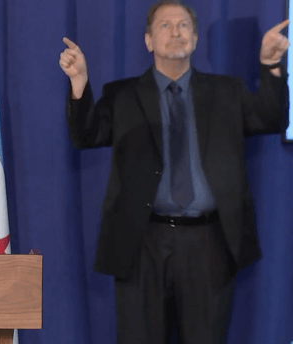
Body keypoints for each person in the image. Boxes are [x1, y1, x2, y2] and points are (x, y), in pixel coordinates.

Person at [59, 1, 289, 343]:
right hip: (141, 244)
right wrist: (79, 82)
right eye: (165, 26)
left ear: (195, 40)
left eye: (183, 26)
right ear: (149, 40)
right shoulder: (122, 95)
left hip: (210, 242)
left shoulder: (227, 92)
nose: (176, 32)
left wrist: (270, 65)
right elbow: (86, 135)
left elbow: (271, 118)